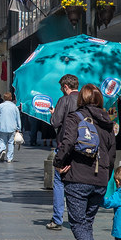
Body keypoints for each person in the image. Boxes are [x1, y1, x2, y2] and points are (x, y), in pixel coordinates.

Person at [53, 83, 117, 240]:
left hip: (78, 177)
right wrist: (106, 178)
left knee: (78, 224)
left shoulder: (76, 117)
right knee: (86, 226)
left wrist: (58, 163)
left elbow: (67, 143)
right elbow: (113, 154)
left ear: (81, 99)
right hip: (100, 180)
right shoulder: (108, 122)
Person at [47, 74, 79, 231]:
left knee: (59, 181)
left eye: (61, 87)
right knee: (78, 181)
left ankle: (57, 218)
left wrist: (53, 113)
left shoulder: (64, 100)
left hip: (65, 145)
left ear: (66, 87)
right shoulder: (85, 99)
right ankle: (78, 218)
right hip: (84, 147)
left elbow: (55, 122)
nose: (61, 90)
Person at [0, 93, 22, 163]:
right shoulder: (14, 107)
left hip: (2, 127)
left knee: (1, 140)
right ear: (11, 98)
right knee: (11, 143)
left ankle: (2, 150)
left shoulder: (0, 106)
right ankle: (9, 158)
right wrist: (19, 128)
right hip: (12, 127)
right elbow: (18, 118)